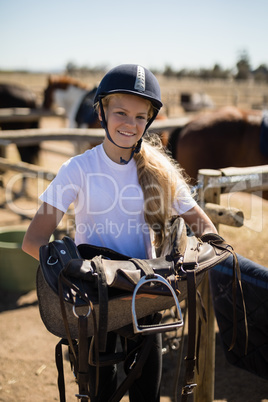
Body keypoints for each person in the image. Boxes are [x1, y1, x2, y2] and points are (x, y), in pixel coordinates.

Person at [22, 64, 217, 401]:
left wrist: (188, 257)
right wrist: (71, 274)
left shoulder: (160, 171)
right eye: (121, 112)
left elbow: (206, 229)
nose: (131, 124)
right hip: (97, 304)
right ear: (101, 112)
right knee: (101, 394)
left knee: (148, 395)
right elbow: (33, 241)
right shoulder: (78, 169)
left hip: (144, 300)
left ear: (149, 121)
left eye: (141, 117)